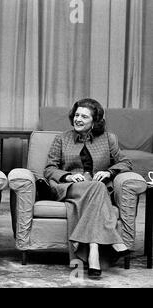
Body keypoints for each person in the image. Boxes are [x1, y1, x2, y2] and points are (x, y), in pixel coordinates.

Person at [44, 98, 131, 279]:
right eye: (76, 115)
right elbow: (49, 169)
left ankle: (93, 249)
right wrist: (67, 176)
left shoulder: (108, 138)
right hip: (70, 188)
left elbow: (125, 162)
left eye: (84, 116)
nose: (78, 119)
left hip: (96, 190)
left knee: (98, 187)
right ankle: (114, 240)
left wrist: (109, 172)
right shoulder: (62, 138)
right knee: (98, 188)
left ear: (95, 121)